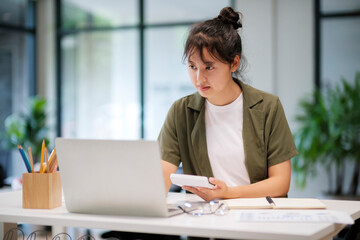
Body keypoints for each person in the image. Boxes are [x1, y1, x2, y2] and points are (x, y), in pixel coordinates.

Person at [158, 6, 298, 202]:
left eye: (209, 67)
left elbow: (280, 182)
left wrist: (229, 193)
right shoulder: (181, 111)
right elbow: (161, 177)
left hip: (258, 220)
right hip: (206, 223)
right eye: (192, 66)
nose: (199, 78)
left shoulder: (268, 107)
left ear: (234, 63)